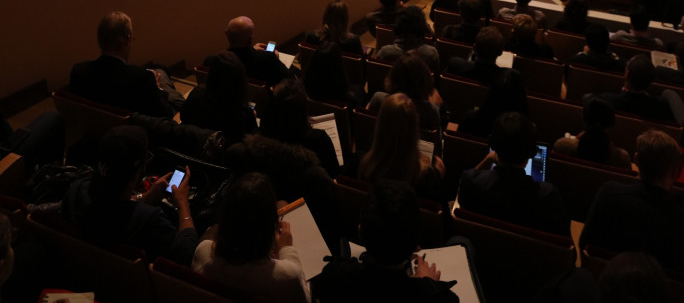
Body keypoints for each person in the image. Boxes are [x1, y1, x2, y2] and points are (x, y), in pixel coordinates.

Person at [61, 125, 198, 265]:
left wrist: (144, 198)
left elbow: (111, 203)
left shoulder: (76, 190)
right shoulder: (149, 221)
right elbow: (188, 253)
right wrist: (182, 204)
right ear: (135, 176)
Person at [315, 180, 456, 301]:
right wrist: (427, 285)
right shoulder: (440, 298)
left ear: (360, 232)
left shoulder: (333, 277)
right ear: (416, 246)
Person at [192, 172, 309, 301]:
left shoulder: (203, 252)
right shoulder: (287, 275)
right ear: (269, 228)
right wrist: (287, 249)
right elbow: (305, 297)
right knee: (282, 203)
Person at [580, 129, 684, 273]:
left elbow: (583, 244)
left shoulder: (609, 193)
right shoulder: (679, 221)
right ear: (676, 172)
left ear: (636, 160)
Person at [458, 112, 570, 236]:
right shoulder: (548, 196)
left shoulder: (472, 181)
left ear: (492, 144)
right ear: (532, 152)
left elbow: (463, 198)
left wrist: (487, 160)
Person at [69, 11, 182, 116]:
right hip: (142, 132)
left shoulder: (78, 71)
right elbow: (166, 114)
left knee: (158, 70)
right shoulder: (142, 79)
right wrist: (158, 89)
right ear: (128, 39)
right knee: (182, 101)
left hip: (97, 130)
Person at [358, 94, 445, 201]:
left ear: (379, 124)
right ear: (414, 131)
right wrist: (438, 178)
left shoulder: (361, 164)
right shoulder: (427, 177)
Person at [220, 15, 293, 86]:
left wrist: (252, 50)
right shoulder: (268, 58)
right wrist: (275, 59)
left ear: (226, 33)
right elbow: (290, 78)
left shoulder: (215, 61)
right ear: (250, 39)